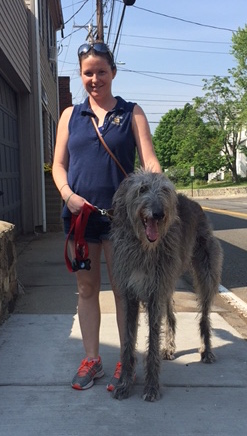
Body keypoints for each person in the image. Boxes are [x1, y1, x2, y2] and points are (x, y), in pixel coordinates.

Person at [52, 40, 161, 392]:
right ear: (80, 76)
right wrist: (68, 196)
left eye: (101, 71)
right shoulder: (71, 115)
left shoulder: (132, 113)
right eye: (88, 73)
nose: (95, 79)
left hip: (121, 221)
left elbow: (150, 162)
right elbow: (58, 165)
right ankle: (92, 359)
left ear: (113, 72)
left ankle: (125, 362)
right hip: (81, 218)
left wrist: (155, 196)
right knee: (86, 289)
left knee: (122, 291)